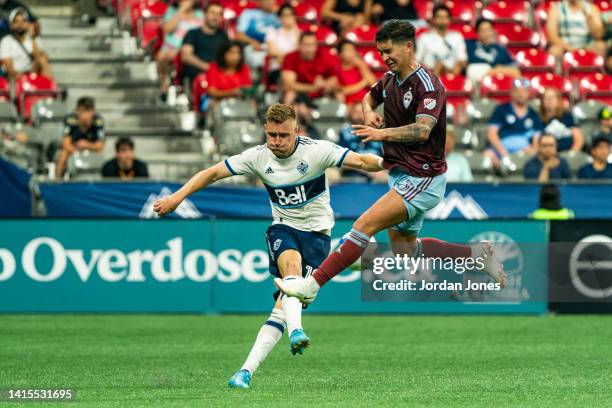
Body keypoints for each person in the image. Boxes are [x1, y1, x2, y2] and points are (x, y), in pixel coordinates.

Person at [152, 103, 385, 388]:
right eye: (272, 135)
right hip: (283, 227)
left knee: (281, 308)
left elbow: (362, 162)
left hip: (318, 235)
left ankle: (245, 372)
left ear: (296, 131)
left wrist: (391, 163)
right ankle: (297, 330)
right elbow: (212, 173)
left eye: (283, 135)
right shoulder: (258, 157)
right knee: (292, 269)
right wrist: (178, 197)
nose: (276, 142)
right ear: (265, 130)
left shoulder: (317, 151)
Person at [274, 20, 505, 306]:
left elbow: (422, 129)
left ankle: (312, 285)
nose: (385, 58)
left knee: (362, 226)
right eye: (381, 52)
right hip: (401, 173)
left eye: (388, 51)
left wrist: (380, 132)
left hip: (423, 178)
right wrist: (368, 112)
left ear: (408, 46)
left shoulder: (429, 85)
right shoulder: (390, 79)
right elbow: (367, 98)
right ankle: (476, 254)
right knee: (405, 250)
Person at [485, 78, 543, 170]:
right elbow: (491, 134)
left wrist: (532, 151)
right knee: (487, 156)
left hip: (525, 151)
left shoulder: (534, 114)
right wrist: (503, 153)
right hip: (501, 149)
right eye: (517, 91)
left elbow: (536, 141)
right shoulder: (501, 109)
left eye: (524, 91)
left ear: (528, 93)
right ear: (511, 92)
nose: (520, 94)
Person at [156, 0, 204, 100]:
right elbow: (167, 28)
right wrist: (181, 10)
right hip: (172, 47)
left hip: (193, 47)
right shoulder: (172, 11)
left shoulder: (200, 14)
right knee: (161, 56)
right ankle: (164, 84)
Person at [281, 31, 339, 104]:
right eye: (306, 45)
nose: (309, 49)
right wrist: (313, 87)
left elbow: (335, 78)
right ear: (299, 45)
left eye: (312, 45)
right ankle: (287, 114)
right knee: (290, 94)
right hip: (300, 93)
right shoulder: (290, 58)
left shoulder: (326, 56)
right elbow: (290, 84)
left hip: (322, 92)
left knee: (339, 93)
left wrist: (326, 84)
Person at [181, 2, 228, 89]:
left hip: (218, 78)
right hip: (195, 77)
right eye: (212, 12)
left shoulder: (224, 36)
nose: (215, 17)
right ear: (205, 14)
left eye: (219, 14)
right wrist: (208, 67)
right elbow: (186, 56)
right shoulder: (192, 34)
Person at [55, 97, 105, 178]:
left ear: (93, 111)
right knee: (63, 155)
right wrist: (76, 152)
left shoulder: (98, 121)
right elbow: (66, 143)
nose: (85, 115)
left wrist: (87, 145)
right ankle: (57, 180)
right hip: (72, 149)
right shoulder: (70, 120)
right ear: (77, 111)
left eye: (88, 111)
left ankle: (99, 179)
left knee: (100, 155)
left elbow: (100, 145)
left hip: (90, 149)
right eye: (82, 111)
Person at [338, 103, 386, 181]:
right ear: (350, 114)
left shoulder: (378, 132)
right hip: (352, 176)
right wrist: (365, 169)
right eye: (356, 112)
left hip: (378, 174)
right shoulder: (345, 133)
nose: (360, 116)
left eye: (362, 112)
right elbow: (340, 159)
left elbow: (387, 157)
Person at [415, 5, 467, 76]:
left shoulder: (457, 36)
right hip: (429, 73)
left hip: (452, 73)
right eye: (439, 17)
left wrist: (458, 66)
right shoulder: (424, 37)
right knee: (438, 65)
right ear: (434, 19)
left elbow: (463, 59)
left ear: (450, 19)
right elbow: (416, 61)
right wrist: (428, 71)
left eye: (446, 17)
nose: (443, 19)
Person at [0, 8, 51, 80]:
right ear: (11, 25)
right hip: (13, 77)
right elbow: (9, 68)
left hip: (31, 74)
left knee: (43, 58)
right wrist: (22, 77)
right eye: (16, 21)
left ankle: (50, 88)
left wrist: (33, 38)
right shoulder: (6, 41)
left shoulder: (34, 39)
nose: (20, 24)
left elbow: (39, 58)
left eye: (23, 21)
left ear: (28, 23)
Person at [466, 18, 520, 83]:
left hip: (493, 76)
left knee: (515, 72)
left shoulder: (500, 49)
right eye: (483, 30)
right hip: (474, 73)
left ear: (493, 31)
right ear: (477, 32)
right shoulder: (469, 44)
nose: (486, 33)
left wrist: (499, 68)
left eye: (488, 29)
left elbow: (512, 65)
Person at [235, 0, 279, 70]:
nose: (269, 2)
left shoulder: (278, 16)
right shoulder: (248, 13)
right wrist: (252, 42)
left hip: (274, 48)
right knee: (257, 61)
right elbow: (239, 34)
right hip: (253, 47)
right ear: (259, 2)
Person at [264, 4, 300, 86]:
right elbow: (272, 51)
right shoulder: (273, 32)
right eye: (285, 15)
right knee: (285, 77)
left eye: (290, 15)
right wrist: (290, 59)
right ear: (279, 18)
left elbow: (300, 52)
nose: (288, 18)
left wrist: (296, 29)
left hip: (296, 69)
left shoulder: (299, 34)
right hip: (278, 68)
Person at [539, 87, 583, 152]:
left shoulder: (568, 117)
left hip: (568, 154)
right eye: (546, 97)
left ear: (558, 100)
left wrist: (571, 156)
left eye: (552, 97)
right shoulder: (538, 119)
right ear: (542, 101)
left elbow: (579, 140)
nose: (549, 100)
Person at [336, 39, 377, 106]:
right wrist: (363, 83)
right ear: (340, 54)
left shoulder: (361, 66)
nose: (352, 52)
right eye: (348, 50)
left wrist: (361, 65)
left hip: (366, 102)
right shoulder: (337, 69)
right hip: (349, 104)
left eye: (353, 50)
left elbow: (374, 85)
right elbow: (342, 91)